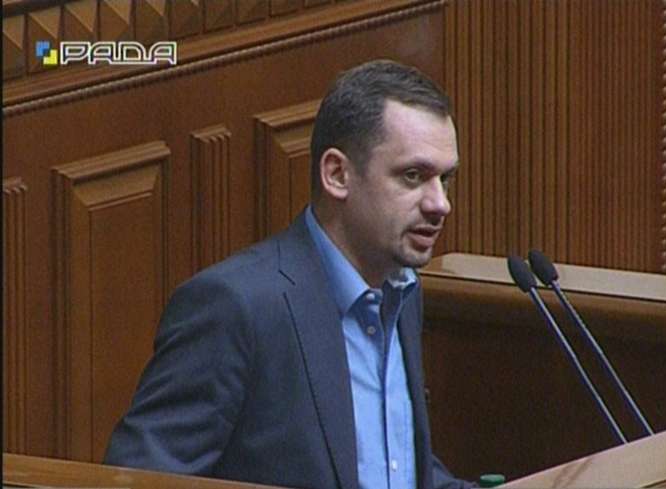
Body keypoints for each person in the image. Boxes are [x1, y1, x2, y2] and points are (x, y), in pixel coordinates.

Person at [104, 59, 476, 489]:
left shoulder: (402, 292)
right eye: (413, 176)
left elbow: (393, 468)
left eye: (445, 179)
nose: (440, 204)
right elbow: (141, 480)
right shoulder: (236, 306)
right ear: (337, 174)